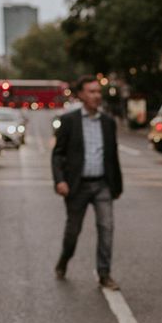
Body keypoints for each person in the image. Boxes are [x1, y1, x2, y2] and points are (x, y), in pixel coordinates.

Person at [51, 75, 123, 289]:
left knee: (106, 228)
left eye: (98, 92)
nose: (96, 96)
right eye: (91, 92)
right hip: (77, 185)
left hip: (102, 185)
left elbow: (112, 156)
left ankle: (104, 273)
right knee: (73, 231)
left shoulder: (108, 122)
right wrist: (60, 181)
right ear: (81, 95)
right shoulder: (69, 121)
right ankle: (64, 260)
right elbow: (57, 154)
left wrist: (116, 186)